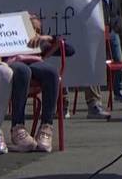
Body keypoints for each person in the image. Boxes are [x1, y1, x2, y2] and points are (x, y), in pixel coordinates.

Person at [6, 13, 73, 152]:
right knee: (23, 72)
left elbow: (70, 50)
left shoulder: (40, 45)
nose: (35, 33)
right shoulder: (9, 39)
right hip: (15, 63)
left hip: (35, 63)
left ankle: (46, 128)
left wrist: (47, 38)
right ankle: (17, 128)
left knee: (52, 73)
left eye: (38, 30)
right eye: (31, 29)